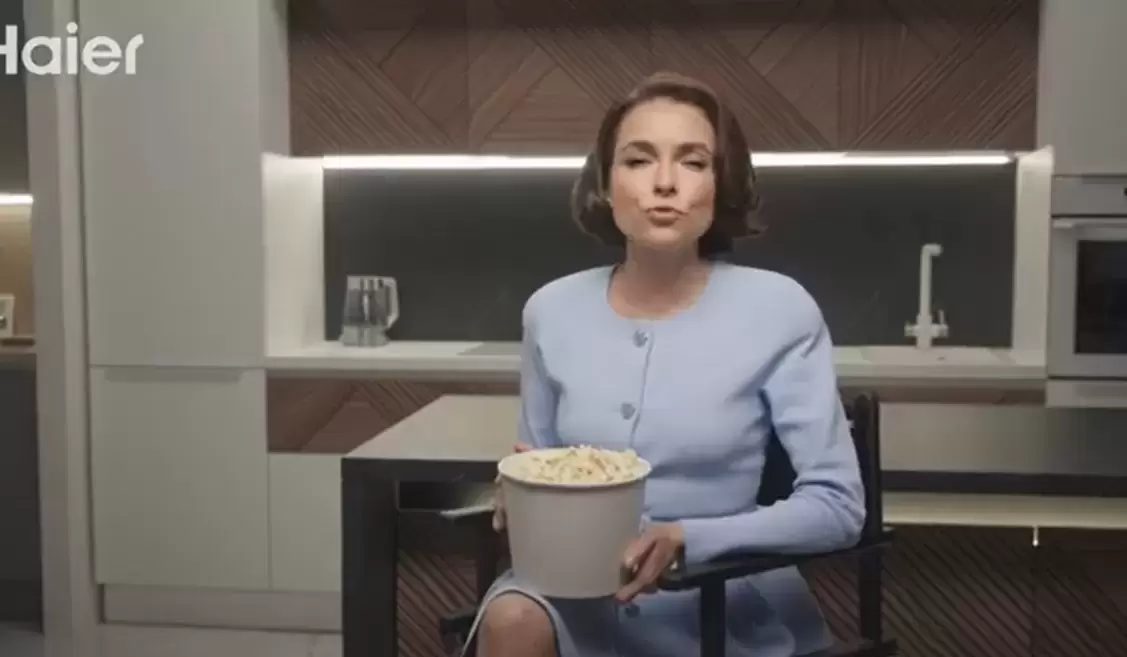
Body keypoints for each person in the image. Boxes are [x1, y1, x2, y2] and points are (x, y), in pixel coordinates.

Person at [466, 72, 865, 657]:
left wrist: (689, 538)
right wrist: (521, 501)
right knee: (511, 621)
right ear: (606, 184)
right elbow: (537, 463)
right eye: (638, 160)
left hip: (718, 595)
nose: (664, 183)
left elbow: (838, 507)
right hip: (577, 591)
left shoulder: (780, 309)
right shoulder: (550, 310)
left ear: (720, 184)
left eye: (693, 162)